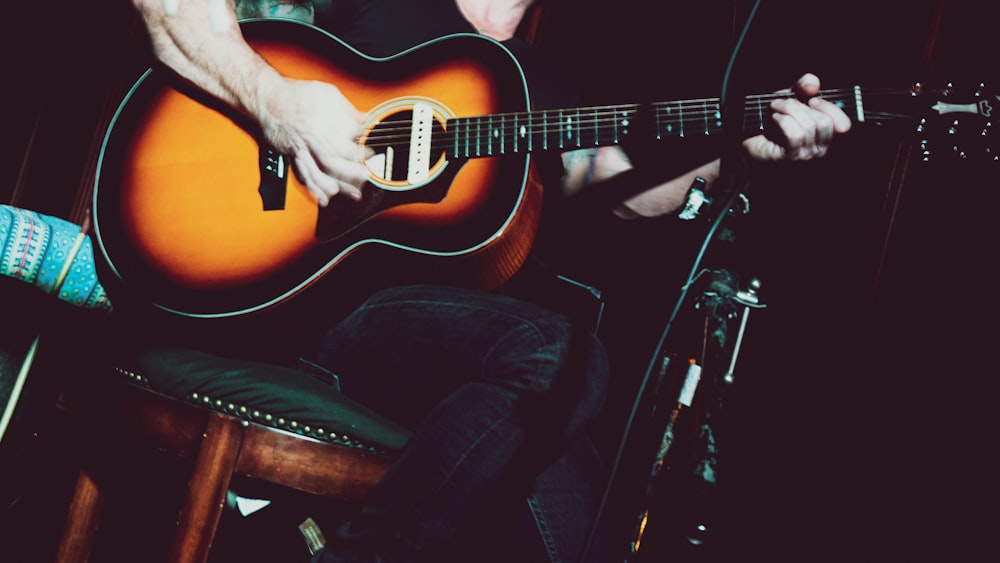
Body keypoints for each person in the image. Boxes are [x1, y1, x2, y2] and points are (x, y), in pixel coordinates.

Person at [113, 1, 852, 562]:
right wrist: (276, 106)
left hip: (414, 339)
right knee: (555, 352)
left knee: (580, 506)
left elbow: (615, 188)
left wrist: (741, 156)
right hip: (299, 296)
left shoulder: (541, 83)